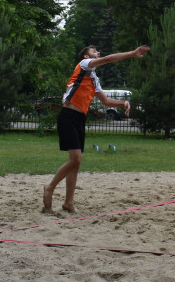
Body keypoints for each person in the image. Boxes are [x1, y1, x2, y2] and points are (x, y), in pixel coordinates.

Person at [44, 44, 150, 212]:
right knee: (76, 159)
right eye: (94, 52)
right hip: (68, 115)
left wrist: (123, 102)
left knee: (75, 164)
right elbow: (108, 59)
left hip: (79, 118)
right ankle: (49, 187)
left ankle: (68, 202)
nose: (98, 53)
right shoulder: (84, 65)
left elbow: (106, 102)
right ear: (86, 57)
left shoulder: (94, 79)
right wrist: (132, 53)